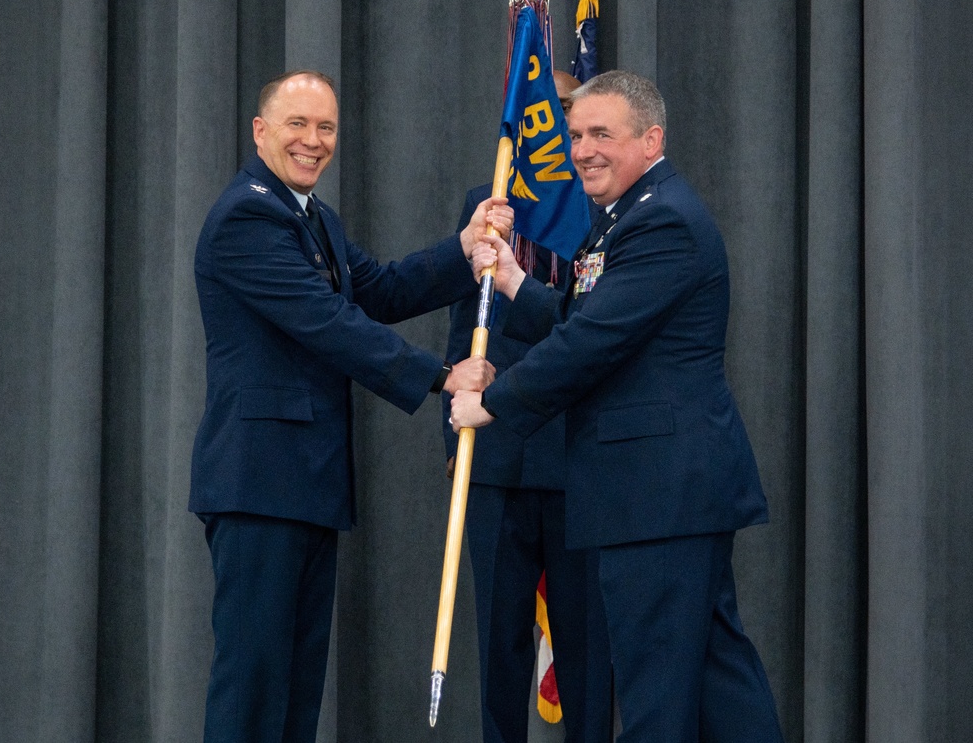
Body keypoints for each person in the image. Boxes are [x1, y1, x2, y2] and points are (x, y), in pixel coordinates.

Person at [451, 70, 785, 742]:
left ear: (651, 138)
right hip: (660, 493)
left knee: (657, 690)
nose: (581, 150)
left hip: (658, 492)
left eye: (601, 133)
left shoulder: (660, 220)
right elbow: (588, 314)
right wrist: (516, 280)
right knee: (720, 679)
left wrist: (492, 402)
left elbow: (593, 341)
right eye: (575, 135)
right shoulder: (627, 216)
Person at [190, 69, 512, 743]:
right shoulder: (246, 217)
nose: (313, 141)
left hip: (305, 484)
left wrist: (463, 248)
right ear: (260, 131)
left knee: (296, 689)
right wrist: (443, 375)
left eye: (327, 127)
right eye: (297, 124)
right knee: (252, 686)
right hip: (258, 482)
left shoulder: (313, 219)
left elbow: (383, 290)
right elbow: (327, 323)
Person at [442, 69, 611, 743]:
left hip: (578, 462)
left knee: (587, 653)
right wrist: (456, 433)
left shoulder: (604, 213)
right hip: (495, 461)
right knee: (497, 648)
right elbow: (464, 329)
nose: (557, 132)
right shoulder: (485, 206)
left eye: (568, 118)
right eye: (544, 117)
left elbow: (586, 335)